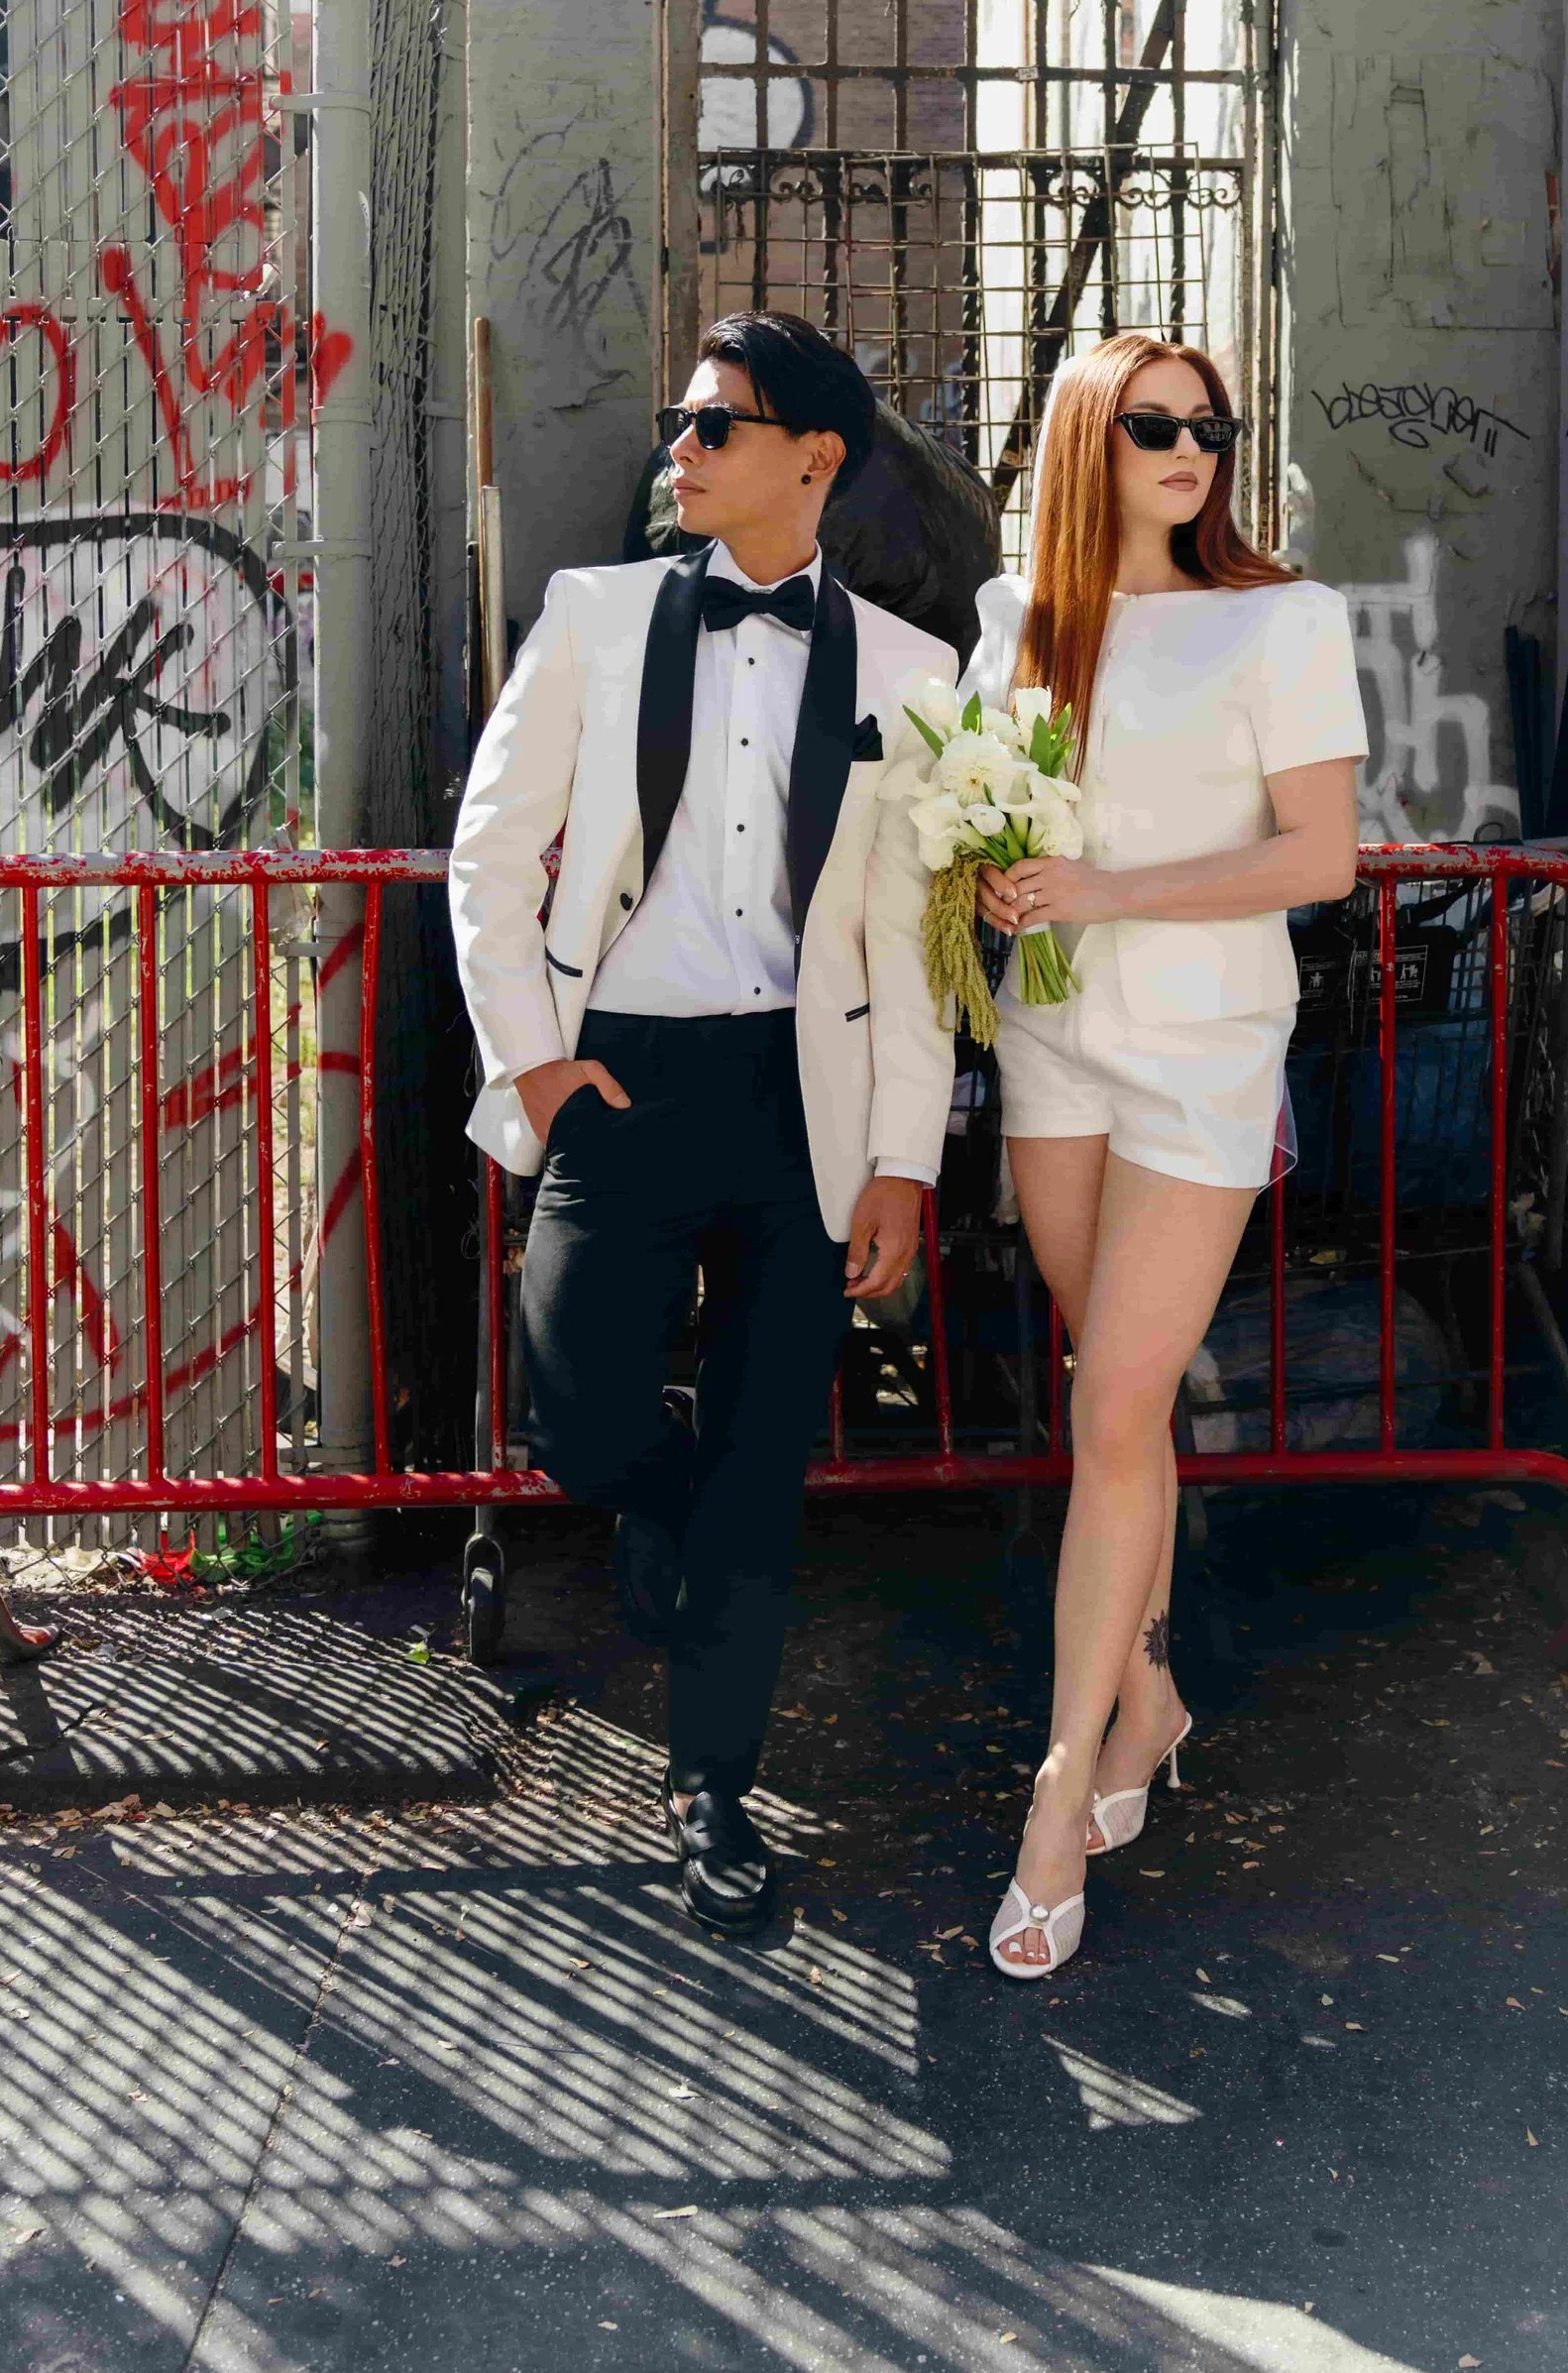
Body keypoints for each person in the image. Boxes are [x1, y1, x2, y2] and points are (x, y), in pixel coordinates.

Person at [448, 312, 955, 1941]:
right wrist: (534, 1064)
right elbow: (490, 854)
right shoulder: (593, 619)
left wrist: (905, 1158)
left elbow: (907, 946)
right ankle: (650, 1499)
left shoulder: (911, 672)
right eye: (680, 420)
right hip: (625, 1081)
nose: (680, 448)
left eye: (715, 424)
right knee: (578, 1417)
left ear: (815, 456)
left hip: (806, 1105)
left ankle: (715, 1792)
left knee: (762, 1467)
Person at [961, 333, 1368, 1978]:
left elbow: (1322, 856)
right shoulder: (1018, 620)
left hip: (1203, 1052)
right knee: (1111, 1405)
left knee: (1115, 1408)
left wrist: (1109, 893)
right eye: (1153, 426)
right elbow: (981, 815)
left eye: (1210, 425)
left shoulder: (1285, 618)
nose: (1191, 448)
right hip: (1054, 1039)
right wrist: (990, 876)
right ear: (1090, 441)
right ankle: (1149, 1697)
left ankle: (1060, 1792)